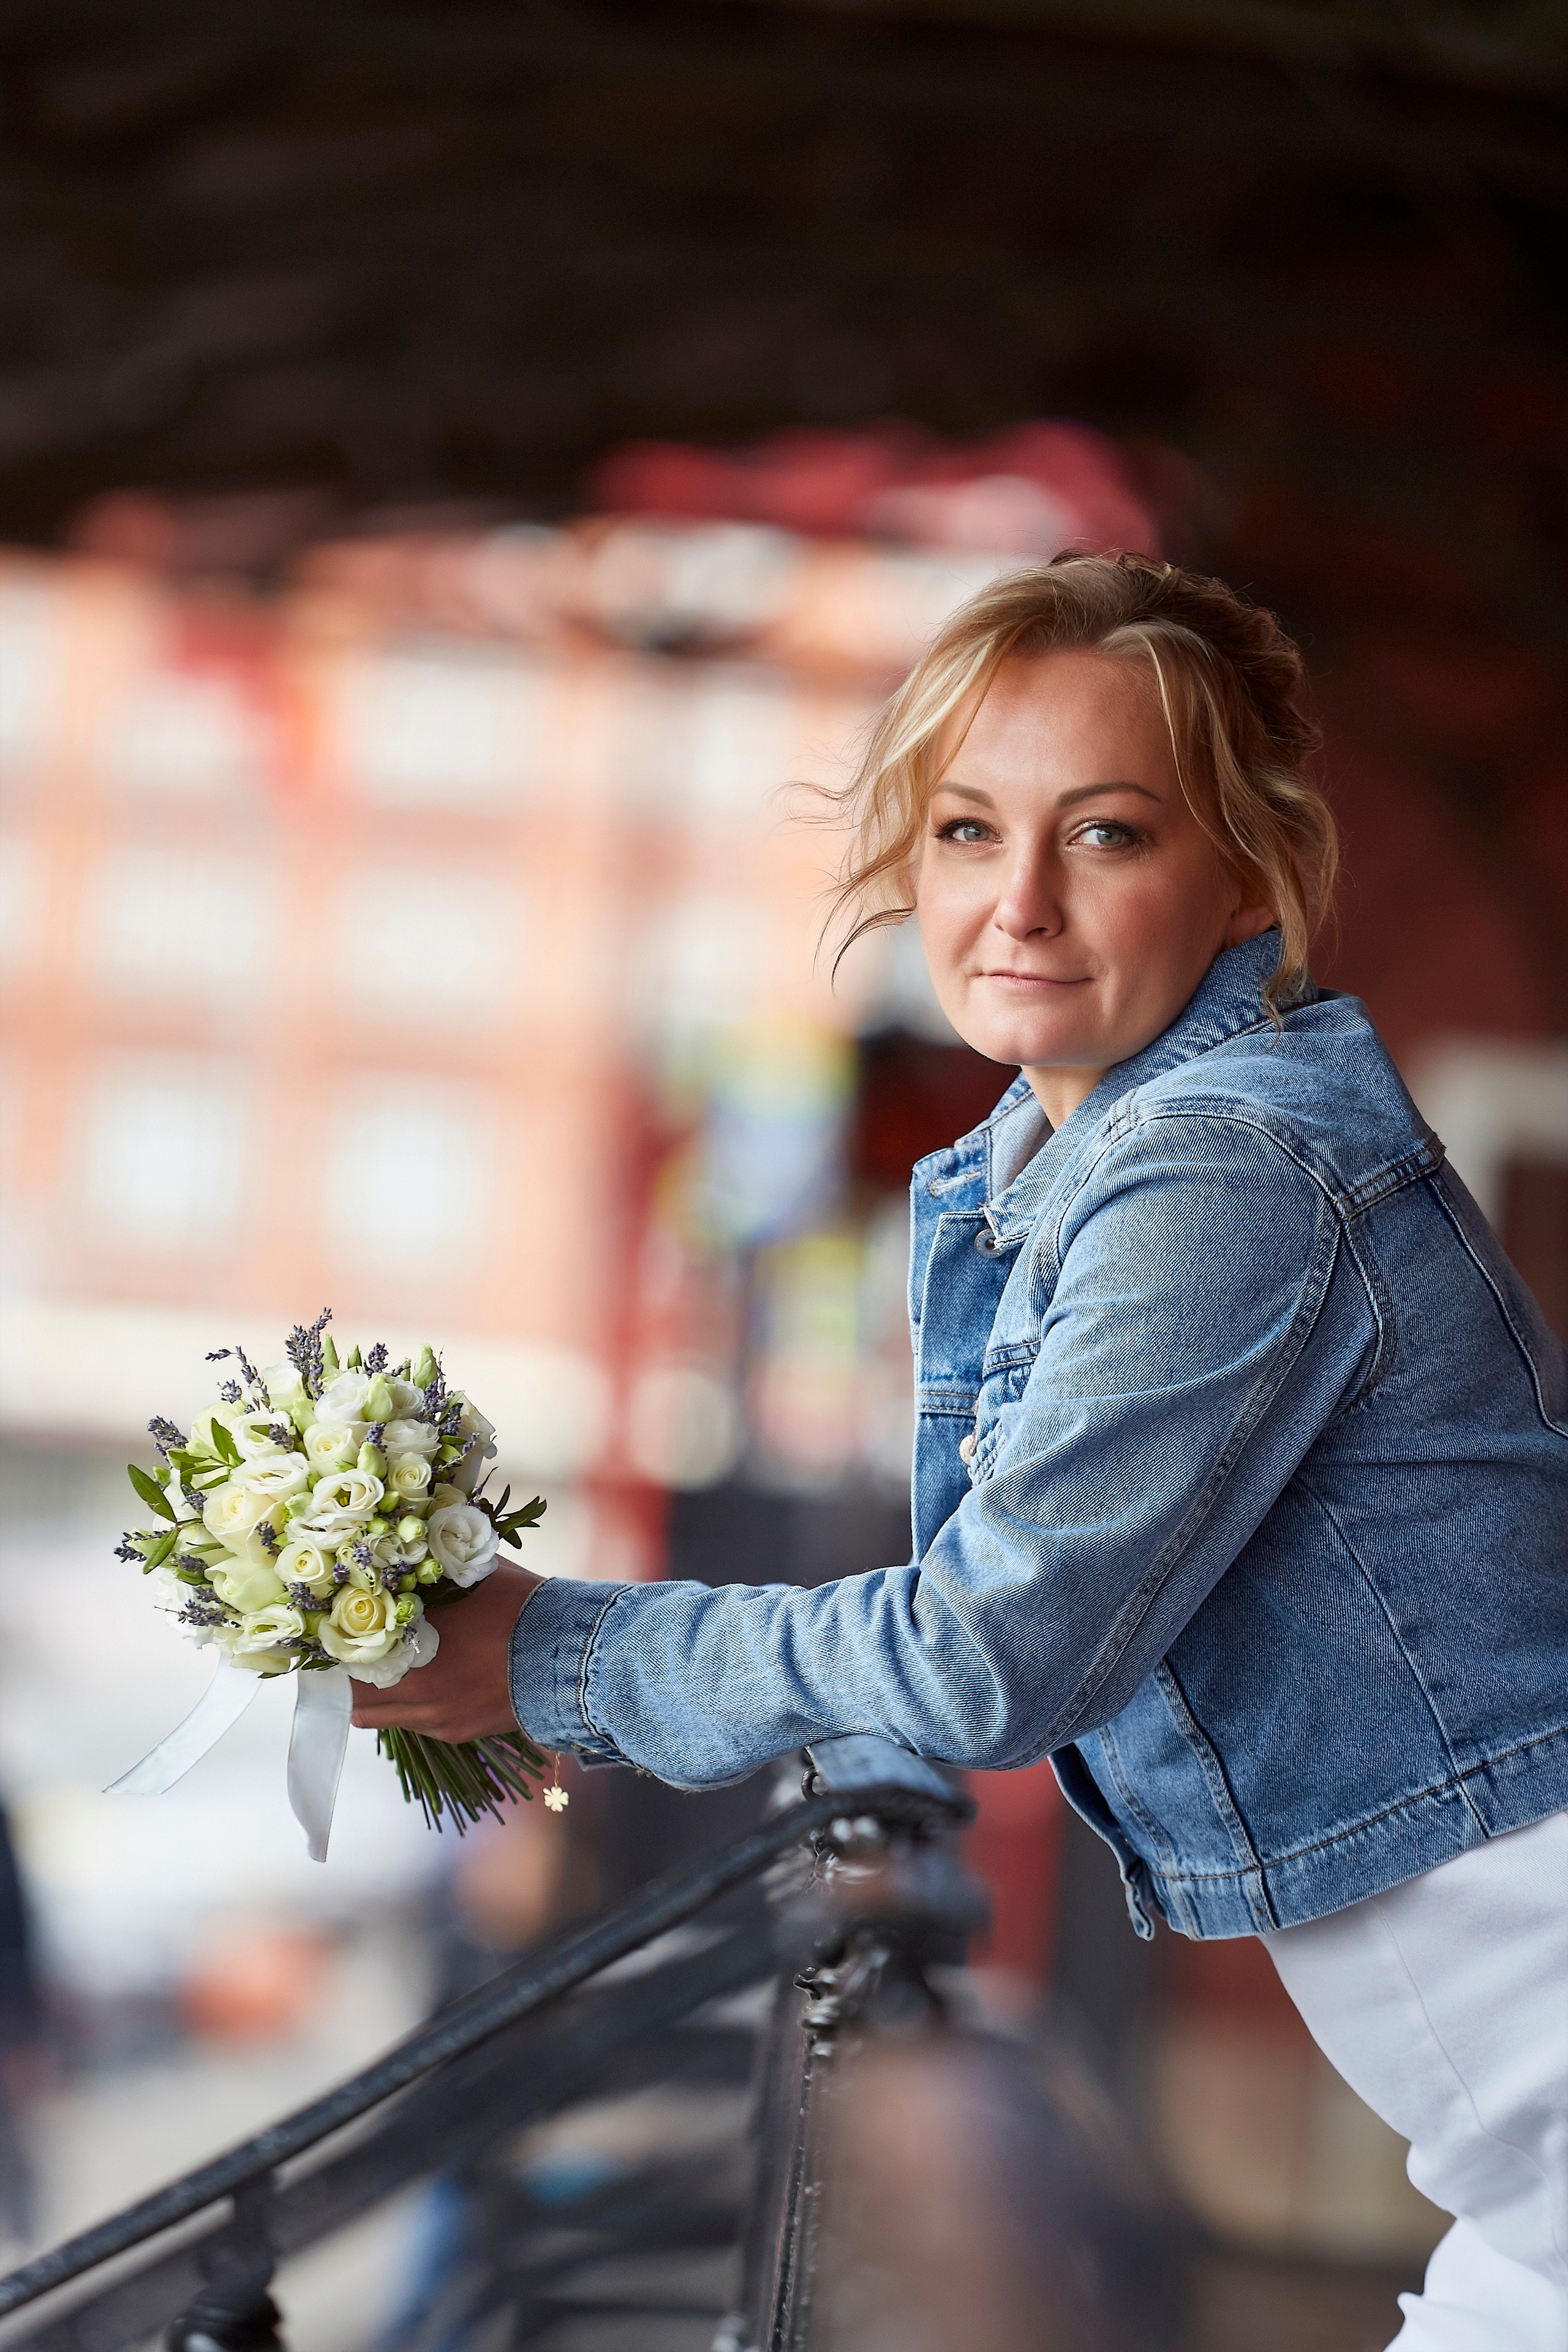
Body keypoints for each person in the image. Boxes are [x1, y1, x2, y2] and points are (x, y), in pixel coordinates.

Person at [353, 552, 1568, 2349]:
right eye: (966, 832)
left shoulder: (1219, 1172)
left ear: (1246, 872)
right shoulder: (1080, 1160)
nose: (1022, 905)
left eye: (1108, 836)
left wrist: (550, 1650)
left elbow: (985, 1653)